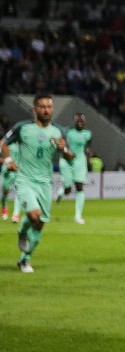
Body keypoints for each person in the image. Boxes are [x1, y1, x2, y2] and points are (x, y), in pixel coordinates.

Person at [2, 94, 74, 273]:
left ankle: (24, 259)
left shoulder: (59, 132)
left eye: (49, 107)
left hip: (45, 183)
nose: (46, 110)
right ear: (34, 109)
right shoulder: (23, 128)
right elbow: (3, 143)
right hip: (25, 179)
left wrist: (63, 149)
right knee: (34, 215)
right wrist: (8, 159)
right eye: (42, 107)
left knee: (40, 223)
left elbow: (70, 156)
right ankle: (22, 232)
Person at [61, 113, 93, 223]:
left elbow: (88, 147)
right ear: (74, 122)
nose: (80, 122)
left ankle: (78, 216)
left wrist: (88, 158)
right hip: (66, 160)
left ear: (84, 122)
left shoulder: (88, 134)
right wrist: (67, 152)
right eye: (77, 121)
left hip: (80, 160)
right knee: (68, 189)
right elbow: (61, 145)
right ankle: (62, 191)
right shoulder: (67, 131)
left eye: (82, 121)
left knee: (79, 186)